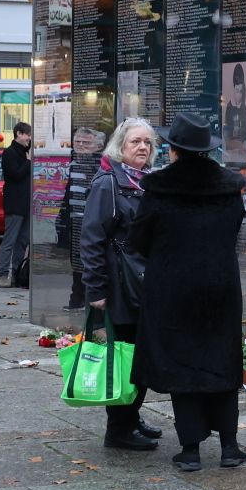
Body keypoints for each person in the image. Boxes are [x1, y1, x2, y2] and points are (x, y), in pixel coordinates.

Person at [124, 112, 246, 471]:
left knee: (182, 362)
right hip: (221, 286)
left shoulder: (160, 187)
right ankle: (229, 447)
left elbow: (138, 240)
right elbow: (233, 228)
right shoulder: (228, 186)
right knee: (221, 360)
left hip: (172, 288)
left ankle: (190, 449)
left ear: (174, 149)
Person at [81, 117, 164, 450]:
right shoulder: (108, 184)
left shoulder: (148, 182)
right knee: (123, 357)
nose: (143, 147)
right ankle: (118, 430)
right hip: (118, 287)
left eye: (147, 142)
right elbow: (91, 239)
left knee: (138, 355)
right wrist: (96, 289)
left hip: (144, 283)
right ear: (120, 146)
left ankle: (131, 417)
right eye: (136, 142)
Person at [58, 126, 105, 311]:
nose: (81, 145)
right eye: (77, 141)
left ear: (98, 146)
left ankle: (85, 298)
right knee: (76, 262)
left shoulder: (99, 164)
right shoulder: (73, 162)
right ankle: (76, 298)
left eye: (86, 142)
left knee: (88, 261)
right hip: (73, 219)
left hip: (90, 220)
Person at [0, 122, 32, 288]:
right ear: (19, 133)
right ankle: (3, 274)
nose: (29, 138)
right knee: (9, 241)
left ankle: (17, 273)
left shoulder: (26, 152)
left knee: (23, 241)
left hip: (27, 204)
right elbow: (15, 175)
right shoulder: (9, 153)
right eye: (27, 135)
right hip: (14, 203)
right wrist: (28, 162)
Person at [223, 63, 246, 158]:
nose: (239, 95)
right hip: (232, 152)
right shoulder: (229, 107)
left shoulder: (244, 108)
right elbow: (226, 134)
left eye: (241, 91)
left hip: (243, 151)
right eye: (237, 91)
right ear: (233, 90)